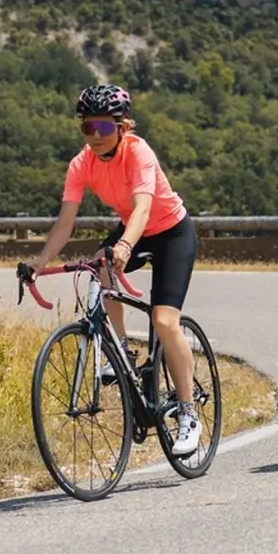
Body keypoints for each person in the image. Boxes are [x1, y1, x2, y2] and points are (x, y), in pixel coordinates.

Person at [26, 84, 203, 454]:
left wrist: (124, 245)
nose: (94, 137)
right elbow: (65, 223)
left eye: (103, 128)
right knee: (98, 267)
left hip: (171, 231)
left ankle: (188, 414)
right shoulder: (81, 164)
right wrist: (39, 263)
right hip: (133, 230)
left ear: (122, 127)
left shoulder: (139, 153)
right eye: (87, 128)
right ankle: (120, 352)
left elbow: (141, 209)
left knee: (165, 322)